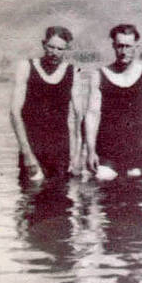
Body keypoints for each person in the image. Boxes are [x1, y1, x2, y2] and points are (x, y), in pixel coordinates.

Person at [85, 24, 142, 180]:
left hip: (137, 149)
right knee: (103, 184)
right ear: (114, 46)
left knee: (137, 190)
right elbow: (92, 114)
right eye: (120, 46)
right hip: (106, 150)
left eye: (128, 46)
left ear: (136, 47)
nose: (124, 51)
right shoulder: (99, 75)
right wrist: (90, 151)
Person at [10, 26, 83, 182]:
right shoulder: (26, 67)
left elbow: (79, 115)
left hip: (60, 150)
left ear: (66, 50)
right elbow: (15, 113)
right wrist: (26, 154)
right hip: (32, 147)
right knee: (30, 199)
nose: (54, 52)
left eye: (60, 49)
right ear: (43, 44)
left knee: (61, 199)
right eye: (51, 46)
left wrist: (77, 155)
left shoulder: (73, 71)